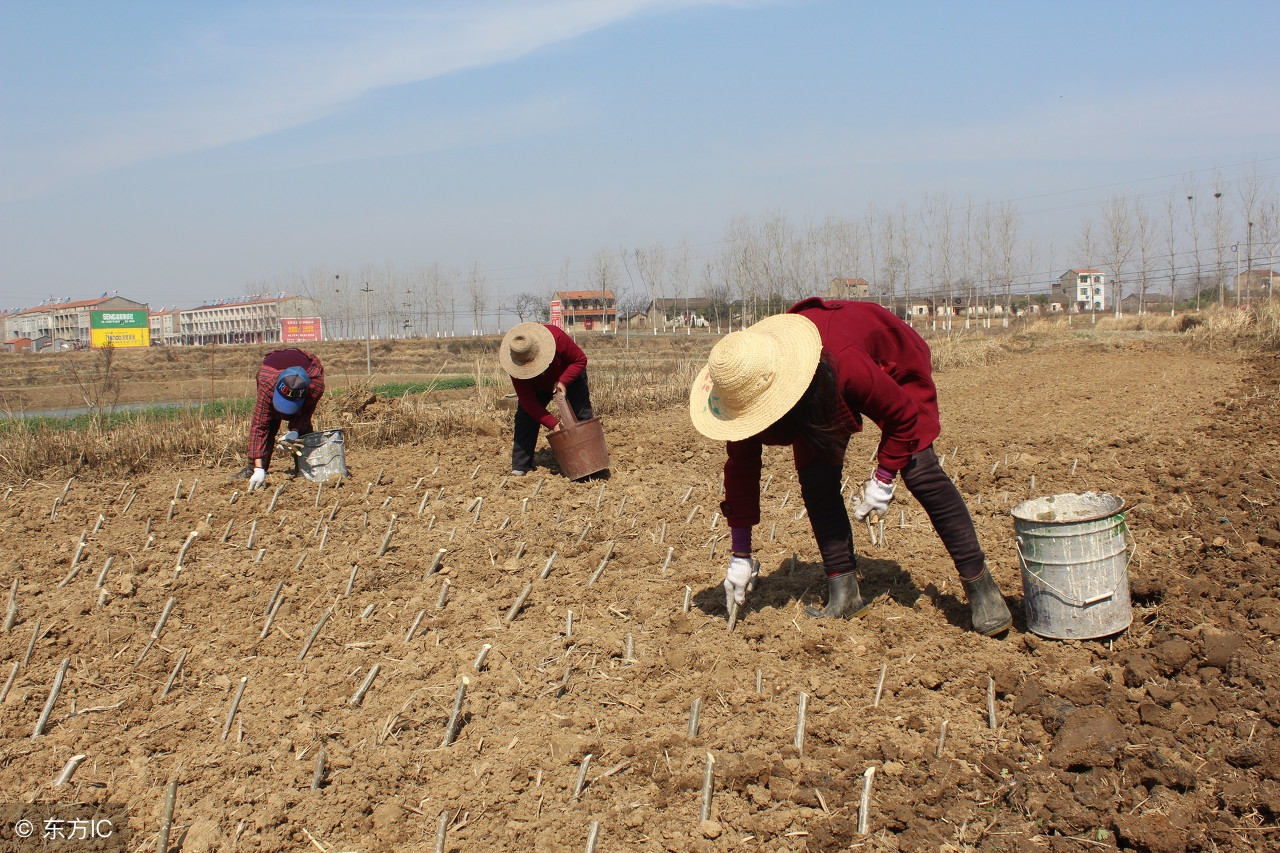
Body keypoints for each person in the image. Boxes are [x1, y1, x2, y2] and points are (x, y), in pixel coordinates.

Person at [688, 297, 1012, 636]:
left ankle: (981, 587)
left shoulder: (845, 364)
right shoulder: (744, 386)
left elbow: (904, 418)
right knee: (817, 480)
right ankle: (845, 594)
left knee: (920, 470)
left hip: (887, 360)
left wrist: (884, 478)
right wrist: (740, 555)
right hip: (812, 386)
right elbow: (741, 469)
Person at [499, 322, 594, 476]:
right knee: (525, 419)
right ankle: (521, 466)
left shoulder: (556, 336)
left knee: (582, 413)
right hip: (537, 385)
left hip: (568, 376)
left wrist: (563, 380)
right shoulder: (516, 359)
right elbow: (528, 402)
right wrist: (553, 424)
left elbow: (580, 360)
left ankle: (591, 460)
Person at [245, 348, 325, 491]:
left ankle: (304, 466)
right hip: (271, 370)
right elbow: (259, 426)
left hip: (306, 372)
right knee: (268, 422)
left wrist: (295, 431)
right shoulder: (266, 383)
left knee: (303, 430)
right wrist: (258, 468)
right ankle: (255, 468)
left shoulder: (315, 386)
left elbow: (305, 413)